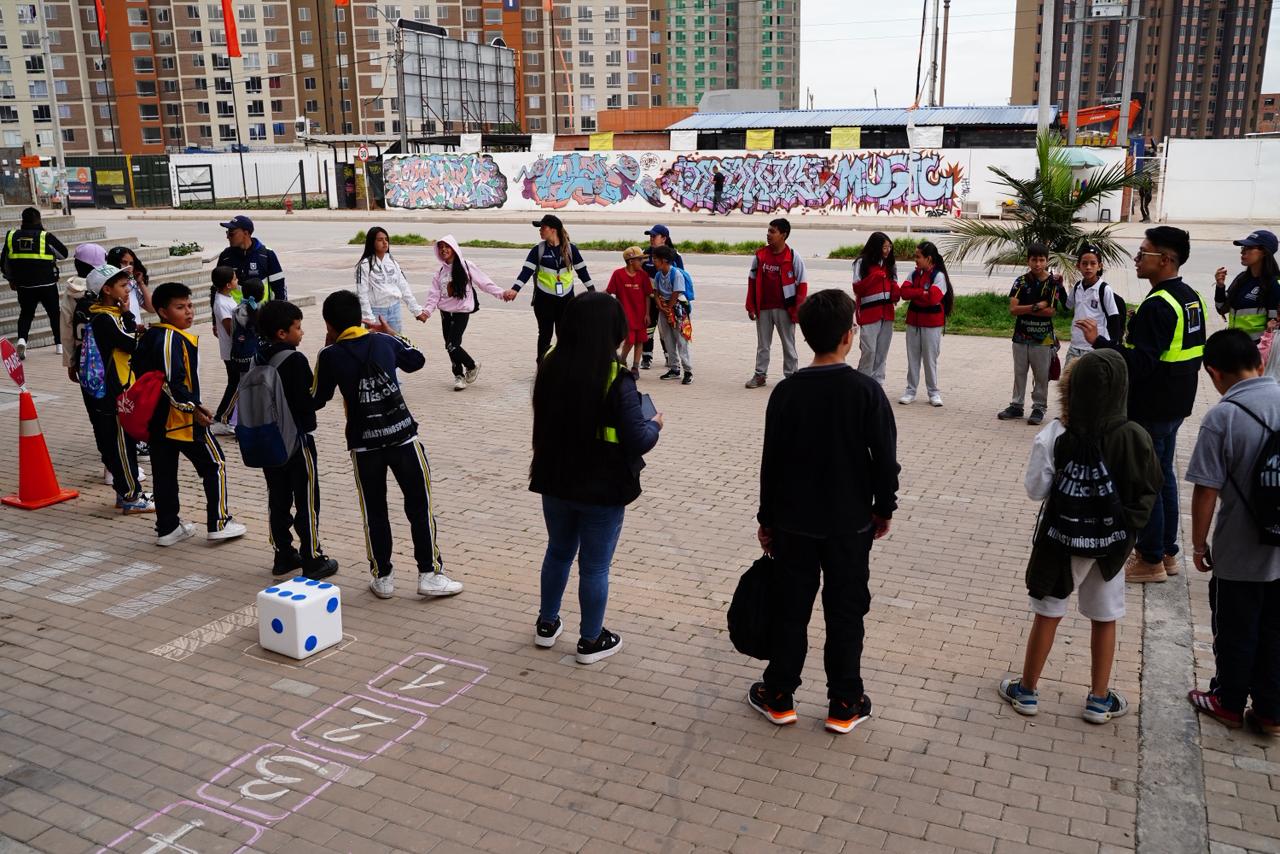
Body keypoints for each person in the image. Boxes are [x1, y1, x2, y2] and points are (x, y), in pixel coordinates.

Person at [750, 289, 899, 733]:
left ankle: (780, 695)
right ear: (849, 337)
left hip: (794, 524)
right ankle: (845, 702)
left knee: (791, 609)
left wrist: (766, 519)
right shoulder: (866, 392)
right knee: (846, 611)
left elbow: (770, 461)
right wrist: (884, 508)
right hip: (850, 525)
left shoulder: (787, 392)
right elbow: (885, 459)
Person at [997, 349, 1161, 724]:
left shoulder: (1055, 434)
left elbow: (1036, 490)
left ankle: (1027, 691)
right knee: (1105, 617)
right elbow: (1149, 488)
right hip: (1110, 544)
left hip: (1061, 537)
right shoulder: (1133, 435)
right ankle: (1099, 699)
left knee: (1048, 613)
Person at [530, 292, 662, 664]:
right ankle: (591, 640)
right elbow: (637, 439)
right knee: (594, 565)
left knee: (557, 551)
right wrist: (655, 426)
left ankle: (546, 624)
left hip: (554, 478)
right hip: (601, 487)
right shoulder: (615, 376)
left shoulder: (551, 362)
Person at [312, 290, 462, 600]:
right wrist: (392, 332)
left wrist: (329, 350)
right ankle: (429, 574)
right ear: (360, 318)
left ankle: (383, 577)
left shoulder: (329, 356)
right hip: (404, 437)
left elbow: (316, 398)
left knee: (375, 511)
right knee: (419, 506)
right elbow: (417, 360)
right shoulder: (383, 341)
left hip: (365, 446)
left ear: (329, 324)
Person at [1080, 227, 1206, 583]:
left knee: (1143, 482)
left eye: (1143, 252)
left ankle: (1149, 558)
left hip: (1151, 407)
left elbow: (1139, 364)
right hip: (1177, 404)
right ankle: (1166, 552)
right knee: (1162, 476)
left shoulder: (1157, 305)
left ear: (1165, 260)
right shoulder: (1190, 296)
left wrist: (1100, 342)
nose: (1136, 258)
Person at [1186, 329, 1280, 733]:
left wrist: (1197, 543)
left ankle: (1227, 700)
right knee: (1275, 631)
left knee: (1236, 628)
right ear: (1260, 364)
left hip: (1239, 548)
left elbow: (1206, 489)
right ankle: (1271, 712)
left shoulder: (1222, 417)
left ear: (1213, 372)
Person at [134, 282, 246, 547]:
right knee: (215, 464)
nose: (188, 312)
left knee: (164, 473)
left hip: (157, 421)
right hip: (180, 420)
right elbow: (169, 383)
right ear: (162, 311)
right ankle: (219, 522)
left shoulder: (152, 335)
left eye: (190, 305)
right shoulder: (170, 338)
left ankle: (168, 527)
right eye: (180, 307)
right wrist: (192, 409)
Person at [255, 299, 338, 580]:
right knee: (306, 498)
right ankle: (312, 557)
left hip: (269, 442)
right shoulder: (294, 359)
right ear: (282, 333)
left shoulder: (259, 355)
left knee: (277, 498)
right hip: (297, 441)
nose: (301, 333)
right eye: (298, 328)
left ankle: (282, 554)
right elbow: (311, 400)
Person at [81, 264, 154, 515]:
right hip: (113, 393)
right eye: (123, 286)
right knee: (122, 446)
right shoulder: (105, 319)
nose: (127, 290)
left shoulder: (103, 314)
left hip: (113, 390)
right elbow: (131, 343)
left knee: (121, 444)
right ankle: (131, 497)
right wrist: (132, 320)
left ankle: (128, 493)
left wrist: (126, 317)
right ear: (107, 289)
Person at [504, 215, 594, 364]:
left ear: (553, 230)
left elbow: (582, 271)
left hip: (566, 298)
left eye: (543, 227)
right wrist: (515, 289)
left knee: (563, 334)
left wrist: (592, 291)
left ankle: (564, 364)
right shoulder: (538, 250)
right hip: (544, 299)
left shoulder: (571, 249)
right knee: (545, 334)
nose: (540, 230)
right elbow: (526, 271)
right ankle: (542, 365)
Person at [423, 235, 506, 391]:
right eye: (440, 247)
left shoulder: (466, 266)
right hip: (445, 313)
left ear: (454, 248)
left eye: (447, 246)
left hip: (461, 312)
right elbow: (434, 295)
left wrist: (501, 293)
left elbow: (484, 282)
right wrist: (427, 311)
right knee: (450, 346)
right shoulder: (440, 272)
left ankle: (472, 365)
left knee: (452, 345)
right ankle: (458, 376)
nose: (443, 250)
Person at [997, 243, 1062, 427]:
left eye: (1041, 260)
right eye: (1034, 259)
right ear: (1028, 261)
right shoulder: (1021, 281)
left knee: (1041, 374)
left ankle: (1039, 407)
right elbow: (1013, 309)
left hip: (1044, 338)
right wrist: (1036, 306)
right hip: (1020, 336)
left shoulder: (1053, 283)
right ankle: (1016, 405)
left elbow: (1051, 312)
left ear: (1047, 261)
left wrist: (1027, 310)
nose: (1038, 264)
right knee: (1019, 373)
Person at [745, 218, 808, 389]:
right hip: (764, 308)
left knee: (788, 344)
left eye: (773, 231)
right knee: (763, 345)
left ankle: (792, 376)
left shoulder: (793, 257)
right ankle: (760, 375)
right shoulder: (760, 256)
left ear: (784, 235)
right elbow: (751, 282)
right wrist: (750, 306)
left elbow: (802, 284)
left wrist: (797, 310)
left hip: (785, 309)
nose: (768, 234)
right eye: (768, 230)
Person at [1, 207, 68, 359]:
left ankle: (22, 340)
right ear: (39, 219)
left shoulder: (12, 236)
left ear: (22, 220)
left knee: (26, 314)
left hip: (24, 285)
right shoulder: (45, 236)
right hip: (47, 284)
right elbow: (63, 253)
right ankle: (59, 345)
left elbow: (4, 262)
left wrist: (11, 279)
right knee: (53, 314)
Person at [898, 241, 954, 407]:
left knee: (930, 359)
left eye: (918, 256)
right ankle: (910, 391)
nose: (915, 259)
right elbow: (903, 293)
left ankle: (933, 393)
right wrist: (922, 292)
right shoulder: (914, 274)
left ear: (929, 258)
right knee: (913, 358)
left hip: (932, 323)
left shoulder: (939, 276)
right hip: (913, 322)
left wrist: (917, 294)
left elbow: (933, 299)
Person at [354, 226, 426, 333]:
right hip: (376, 312)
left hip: (394, 309)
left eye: (386, 239)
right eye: (380, 240)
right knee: (378, 345)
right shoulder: (364, 265)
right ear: (371, 242)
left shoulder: (392, 262)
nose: (384, 242)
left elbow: (403, 286)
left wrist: (416, 310)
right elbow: (362, 294)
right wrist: (370, 319)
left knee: (396, 343)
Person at [1061, 244, 1122, 370]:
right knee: (1070, 384)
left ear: (1100, 266)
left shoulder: (1104, 289)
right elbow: (1067, 306)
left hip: (1094, 347)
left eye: (1093, 263)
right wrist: (1060, 287)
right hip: (1075, 346)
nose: (1088, 267)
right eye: (1084, 263)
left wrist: (1114, 345)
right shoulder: (1078, 286)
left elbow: (1114, 317)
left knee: (1092, 385)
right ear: (1078, 266)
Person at [1213, 229, 1280, 343]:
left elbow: (1274, 325)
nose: (1243, 252)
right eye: (1243, 248)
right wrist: (1220, 286)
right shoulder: (1241, 278)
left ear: (1264, 252)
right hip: (1235, 346)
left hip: (1257, 352)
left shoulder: (1274, 283)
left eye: (1249, 248)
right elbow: (1221, 308)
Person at [852, 232, 899, 384]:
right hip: (868, 313)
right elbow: (857, 288)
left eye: (889, 247)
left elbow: (894, 283)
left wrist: (896, 293)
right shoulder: (861, 263)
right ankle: (862, 382)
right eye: (884, 247)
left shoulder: (890, 264)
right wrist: (875, 277)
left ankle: (878, 383)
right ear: (876, 247)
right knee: (869, 351)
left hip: (887, 314)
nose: (887, 251)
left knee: (881, 353)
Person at [60, 243, 107, 381]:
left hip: (83, 356)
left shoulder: (70, 291)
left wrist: (70, 363)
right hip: (107, 352)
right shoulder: (105, 289)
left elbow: (66, 329)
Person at [606, 246, 654, 378]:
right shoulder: (618, 274)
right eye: (640, 259)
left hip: (641, 314)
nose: (642, 262)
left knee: (640, 340)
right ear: (631, 261)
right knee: (630, 340)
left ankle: (635, 367)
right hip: (625, 315)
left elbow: (647, 295)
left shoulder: (643, 275)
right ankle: (622, 359)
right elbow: (609, 291)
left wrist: (647, 314)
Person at [640, 224, 683, 370]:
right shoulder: (645, 254)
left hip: (668, 300)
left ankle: (669, 357)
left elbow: (680, 276)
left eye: (654, 236)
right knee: (648, 327)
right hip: (650, 299)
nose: (651, 239)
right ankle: (646, 357)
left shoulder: (674, 256)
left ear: (664, 238)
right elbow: (640, 275)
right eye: (650, 236)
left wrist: (674, 301)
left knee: (667, 329)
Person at [216, 214, 286, 300]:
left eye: (231, 234)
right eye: (227, 233)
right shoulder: (225, 256)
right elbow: (217, 288)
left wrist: (281, 311)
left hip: (262, 312)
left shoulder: (267, 254)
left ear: (246, 233)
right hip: (232, 312)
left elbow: (279, 288)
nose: (227, 237)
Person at [650, 246, 693, 385]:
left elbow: (676, 293)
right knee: (667, 339)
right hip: (664, 308)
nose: (653, 261)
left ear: (664, 261)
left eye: (655, 259)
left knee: (681, 340)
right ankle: (674, 368)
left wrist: (668, 308)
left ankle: (688, 371)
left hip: (678, 310)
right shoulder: (658, 275)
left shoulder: (676, 274)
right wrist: (660, 306)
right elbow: (655, 292)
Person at [209, 266, 241, 437]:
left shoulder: (227, 298)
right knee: (237, 384)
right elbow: (231, 329)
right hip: (232, 351)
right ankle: (225, 419)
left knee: (234, 383)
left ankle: (221, 415)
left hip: (234, 350)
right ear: (228, 284)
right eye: (235, 279)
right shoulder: (221, 302)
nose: (237, 281)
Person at [105, 245, 152, 328]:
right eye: (124, 262)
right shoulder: (109, 288)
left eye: (131, 263)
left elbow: (151, 308)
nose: (129, 267)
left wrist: (140, 283)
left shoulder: (132, 284)